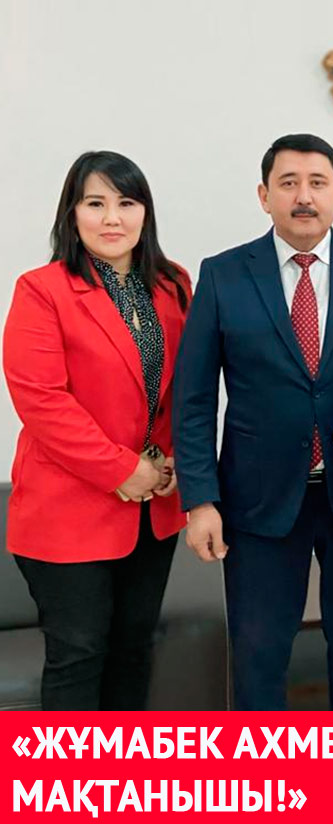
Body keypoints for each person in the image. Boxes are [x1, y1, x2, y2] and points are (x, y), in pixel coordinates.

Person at [173, 133, 333, 711]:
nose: (303, 197)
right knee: (258, 655)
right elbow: (194, 398)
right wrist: (200, 500)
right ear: (264, 196)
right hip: (257, 501)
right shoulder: (224, 274)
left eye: (317, 183)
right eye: (288, 183)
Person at [3, 150, 190, 710]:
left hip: (154, 508)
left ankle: (120, 767)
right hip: (68, 507)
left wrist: (176, 462)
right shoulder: (42, 289)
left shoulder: (173, 284)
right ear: (72, 213)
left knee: (134, 652)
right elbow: (42, 401)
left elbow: (189, 385)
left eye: (126, 203)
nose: (112, 218)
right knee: (78, 654)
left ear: (145, 212)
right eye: (95, 203)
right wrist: (122, 470)